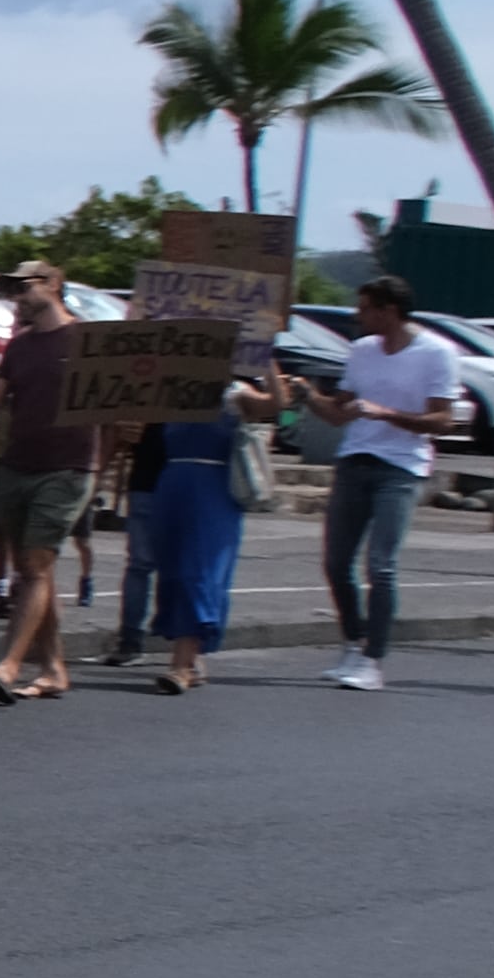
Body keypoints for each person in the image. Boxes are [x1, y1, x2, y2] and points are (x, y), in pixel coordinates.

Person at [306, 275, 466, 689]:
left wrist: (385, 413)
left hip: (400, 467)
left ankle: (373, 662)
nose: (358, 318)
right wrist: (307, 395)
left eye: (364, 309)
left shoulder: (437, 353)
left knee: (381, 564)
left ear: (388, 312)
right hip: (354, 461)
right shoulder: (361, 351)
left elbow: (443, 420)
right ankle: (353, 643)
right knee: (336, 562)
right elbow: (340, 412)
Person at [0, 263, 103, 706]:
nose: (18, 298)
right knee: (31, 571)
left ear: (53, 284)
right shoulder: (20, 345)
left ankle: (9, 664)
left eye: (24, 288)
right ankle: (53, 669)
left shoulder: (87, 341)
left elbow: (114, 402)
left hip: (66, 468)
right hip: (16, 465)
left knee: (35, 567)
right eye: (13, 292)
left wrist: (102, 464)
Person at [124, 349, 282, 690]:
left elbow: (275, 405)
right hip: (171, 484)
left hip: (211, 490)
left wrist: (264, 359)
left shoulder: (234, 392)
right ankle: (194, 659)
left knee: (197, 572)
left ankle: (181, 665)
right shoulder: (175, 391)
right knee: (172, 570)